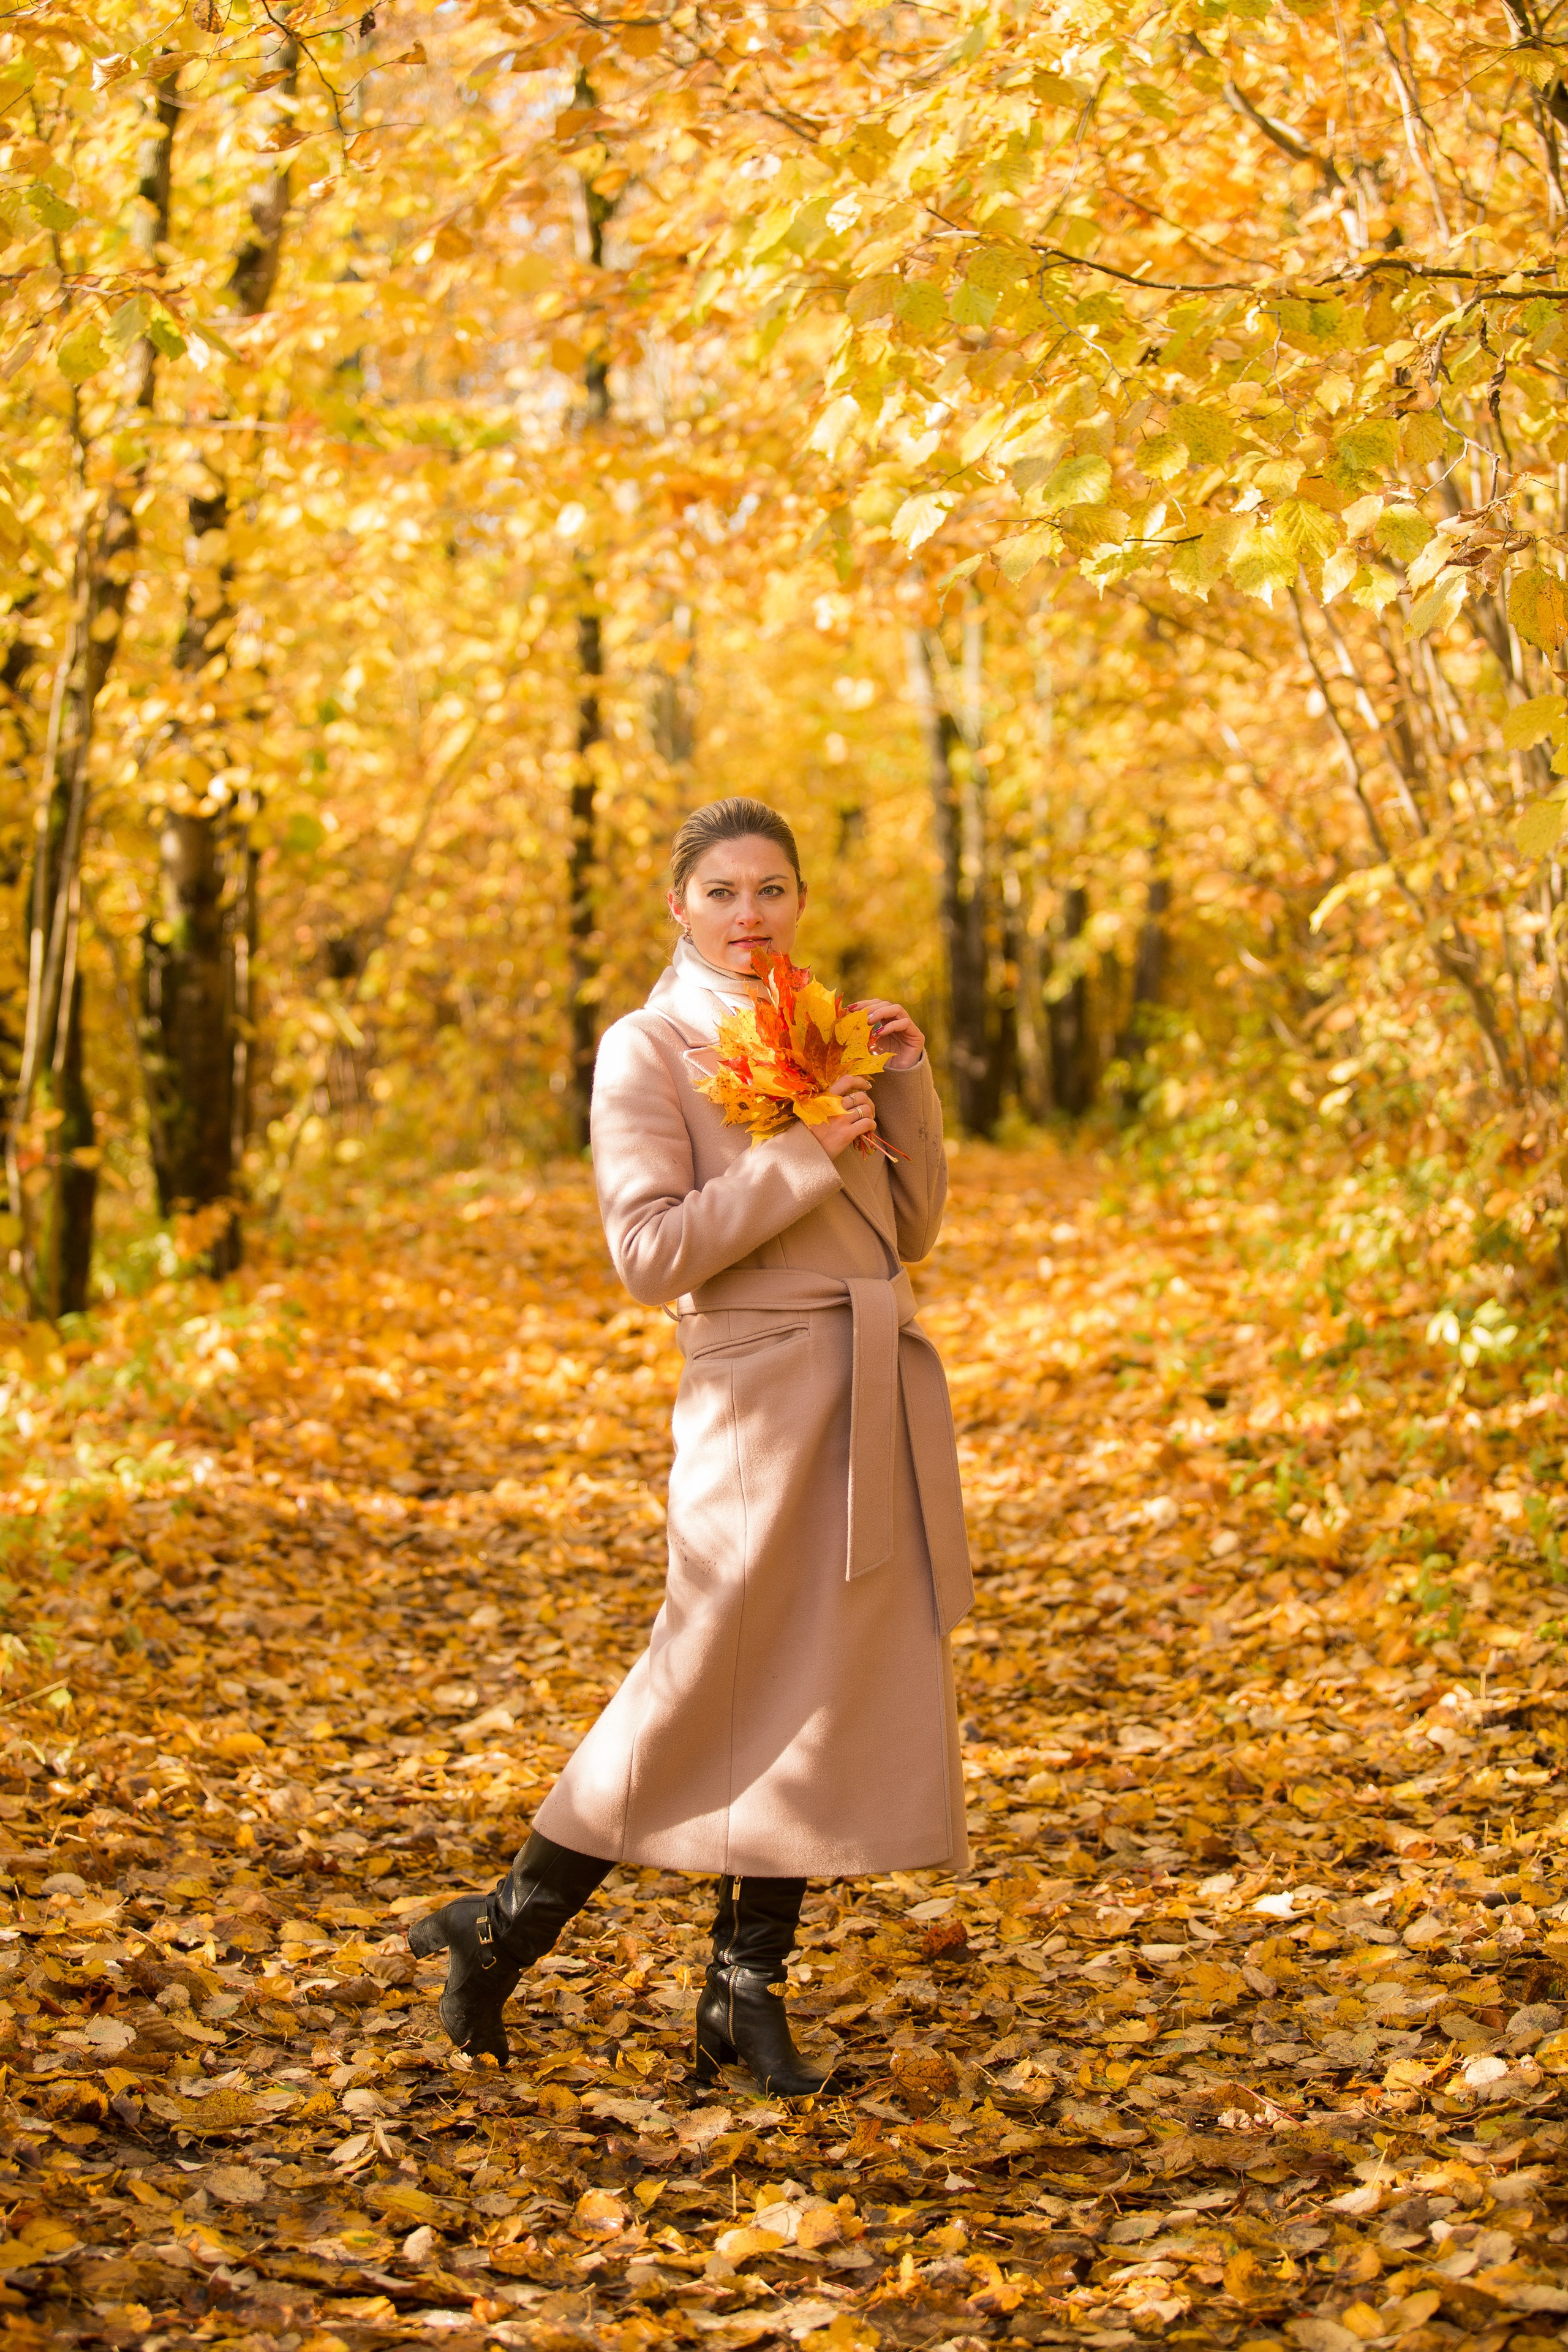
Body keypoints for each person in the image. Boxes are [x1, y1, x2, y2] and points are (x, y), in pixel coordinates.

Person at [409, 796, 973, 2094]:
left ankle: (743, 1987)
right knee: (701, 1675)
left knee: (814, 1684)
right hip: (748, 1392)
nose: (749, 916)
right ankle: (501, 1932)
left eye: (771, 889)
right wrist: (798, 1155)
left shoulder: (829, 1030)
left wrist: (904, 1081)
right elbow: (646, 1252)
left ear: (798, 901)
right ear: (678, 906)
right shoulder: (643, 1046)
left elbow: (917, 1223)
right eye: (721, 892)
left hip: (867, 1379)